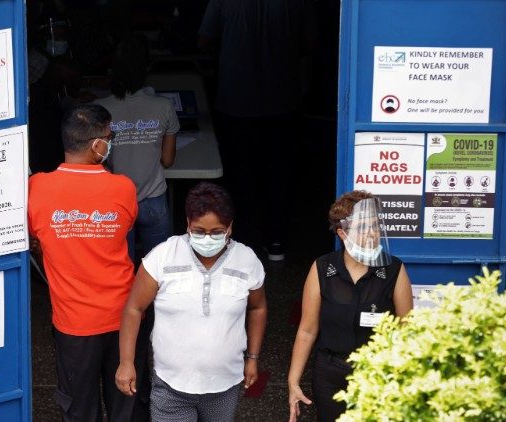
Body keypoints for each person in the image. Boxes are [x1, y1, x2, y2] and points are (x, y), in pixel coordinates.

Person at [27, 104, 142, 421]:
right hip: (124, 318)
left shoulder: (35, 188)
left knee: (78, 409)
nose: (110, 142)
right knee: (127, 407)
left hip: (73, 324)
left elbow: (33, 238)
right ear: (97, 145)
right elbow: (126, 228)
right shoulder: (123, 188)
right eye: (110, 136)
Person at [115, 182, 267, 421]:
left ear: (230, 227)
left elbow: (258, 308)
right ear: (187, 224)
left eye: (216, 232)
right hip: (170, 386)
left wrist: (253, 358)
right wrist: (126, 362)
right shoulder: (162, 257)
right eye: (198, 231)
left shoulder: (246, 260)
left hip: (224, 386)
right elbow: (134, 309)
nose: (207, 238)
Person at [287, 190, 414, 422]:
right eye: (363, 227)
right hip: (330, 373)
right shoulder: (323, 268)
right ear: (343, 233)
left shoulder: (394, 270)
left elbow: (407, 330)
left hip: (378, 373)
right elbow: (307, 330)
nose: (372, 233)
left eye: (375, 226)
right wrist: (293, 382)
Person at [198, 0, 307, 260]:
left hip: (236, 101)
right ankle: (276, 241)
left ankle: (243, 243)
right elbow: (310, 43)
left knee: (239, 176)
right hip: (282, 101)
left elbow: (204, 39)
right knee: (279, 174)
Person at [94, 36, 180, 262]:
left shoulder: (102, 110)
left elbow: (97, 162)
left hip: (118, 200)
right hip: (153, 198)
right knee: (159, 268)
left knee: (123, 269)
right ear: (146, 69)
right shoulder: (163, 106)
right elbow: (168, 160)